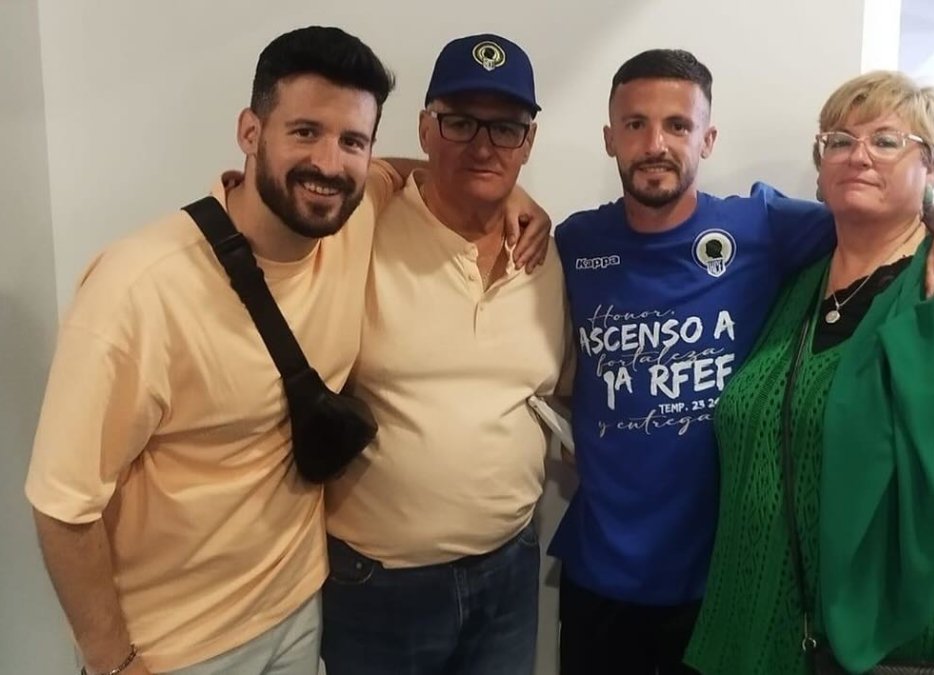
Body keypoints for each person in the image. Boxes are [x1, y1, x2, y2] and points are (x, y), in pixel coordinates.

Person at [24, 26, 551, 675]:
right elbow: (62, 504)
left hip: (299, 612)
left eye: (352, 140)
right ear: (250, 131)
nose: (329, 163)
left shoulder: (348, 220)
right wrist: (112, 660)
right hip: (174, 646)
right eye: (305, 132)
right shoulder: (138, 287)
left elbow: (448, 170)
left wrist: (511, 192)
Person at [549, 51, 934, 675]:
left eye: (678, 126)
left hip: (725, 582)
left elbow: (874, 212)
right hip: (601, 575)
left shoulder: (762, 226)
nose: (656, 143)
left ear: (707, 139)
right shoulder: (575, 243)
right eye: (635, 124)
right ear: (610, 138)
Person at [685, 71, 934, 675]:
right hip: (764, 634)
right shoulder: (796, 285)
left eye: (888, 140)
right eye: (839, 140)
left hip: (909, 648)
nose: (858, 155)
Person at [320, 33, 569, 675]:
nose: (484, 145)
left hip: (509, 571)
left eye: (506, 128)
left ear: (529, 142)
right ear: (426, 129)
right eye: (460, 122)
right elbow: (359, 169)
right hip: (378, 587)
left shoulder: (548, 253)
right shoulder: (362, 224)